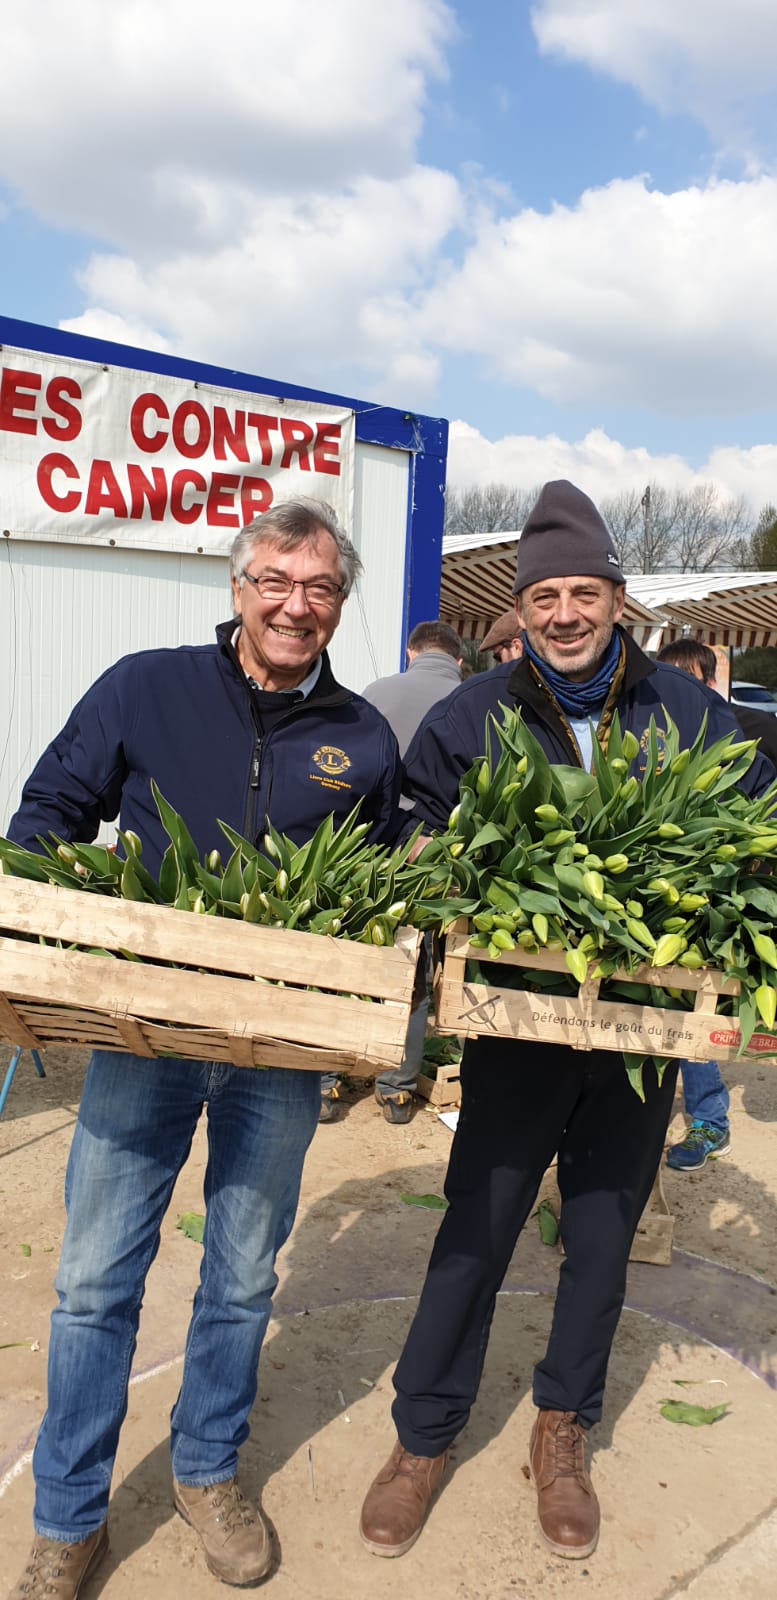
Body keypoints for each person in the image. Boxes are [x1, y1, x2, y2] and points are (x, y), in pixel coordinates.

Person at [358, 479, 774, 1564]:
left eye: (584, 593)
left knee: (600, 1241)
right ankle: (423, 1433)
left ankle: (562, 1426)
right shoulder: (470, 714)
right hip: (516, 1028)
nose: (565, 615)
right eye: (545, 596)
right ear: (521, 610)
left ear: (619, 600)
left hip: (641, 1040)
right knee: (475, 1232)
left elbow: (757, 807)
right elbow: (411, 816)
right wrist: (427, 862)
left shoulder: (684, 709)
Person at [6, 497, 403, 1599]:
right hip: (141, 1034)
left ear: (339, 602)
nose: (295, 604)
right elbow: (48, 814)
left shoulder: (363, 736)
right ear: (238, 585)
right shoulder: (147, 684)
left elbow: (378, 892)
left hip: (278, 1051)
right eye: (275, 579)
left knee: (238, 1276)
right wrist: (68, 933)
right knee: (92, 1283)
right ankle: (69, 1515)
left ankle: (205, 1470)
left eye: (320, 587)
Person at [319, 620, 462, 1125]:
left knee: (346, 953)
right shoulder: (471, 702)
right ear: (458, 659)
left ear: (411, 651)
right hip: (430, 853)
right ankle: (398, 1086)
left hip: (367, 844)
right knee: (414, 965)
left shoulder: (379, 690)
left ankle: (327, 1079)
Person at [655, 637, 777, 1170]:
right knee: (671, 1003)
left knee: (700, 1005)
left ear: (710, 682)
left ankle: (708, 1119)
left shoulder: (759, 732)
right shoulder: (654, 738)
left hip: (736, 897)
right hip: (670, 892)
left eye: (688, 682)